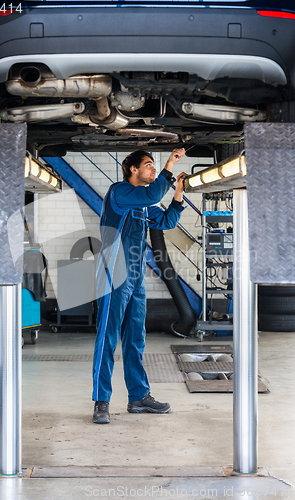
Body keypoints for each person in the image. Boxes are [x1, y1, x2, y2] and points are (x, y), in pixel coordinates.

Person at [92, 148, 187, 424]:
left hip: (135, 276)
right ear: (133, 169)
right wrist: (170, 165)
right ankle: (101, 401)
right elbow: (154, 193)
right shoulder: (120, 193)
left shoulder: (145, 203)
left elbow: (167, 220)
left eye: (155, 166)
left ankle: (138, 397)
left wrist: (178, 190)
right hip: (113, 273)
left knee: (136, 338)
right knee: (108, 338)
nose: (153, 170)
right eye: (149, 165)